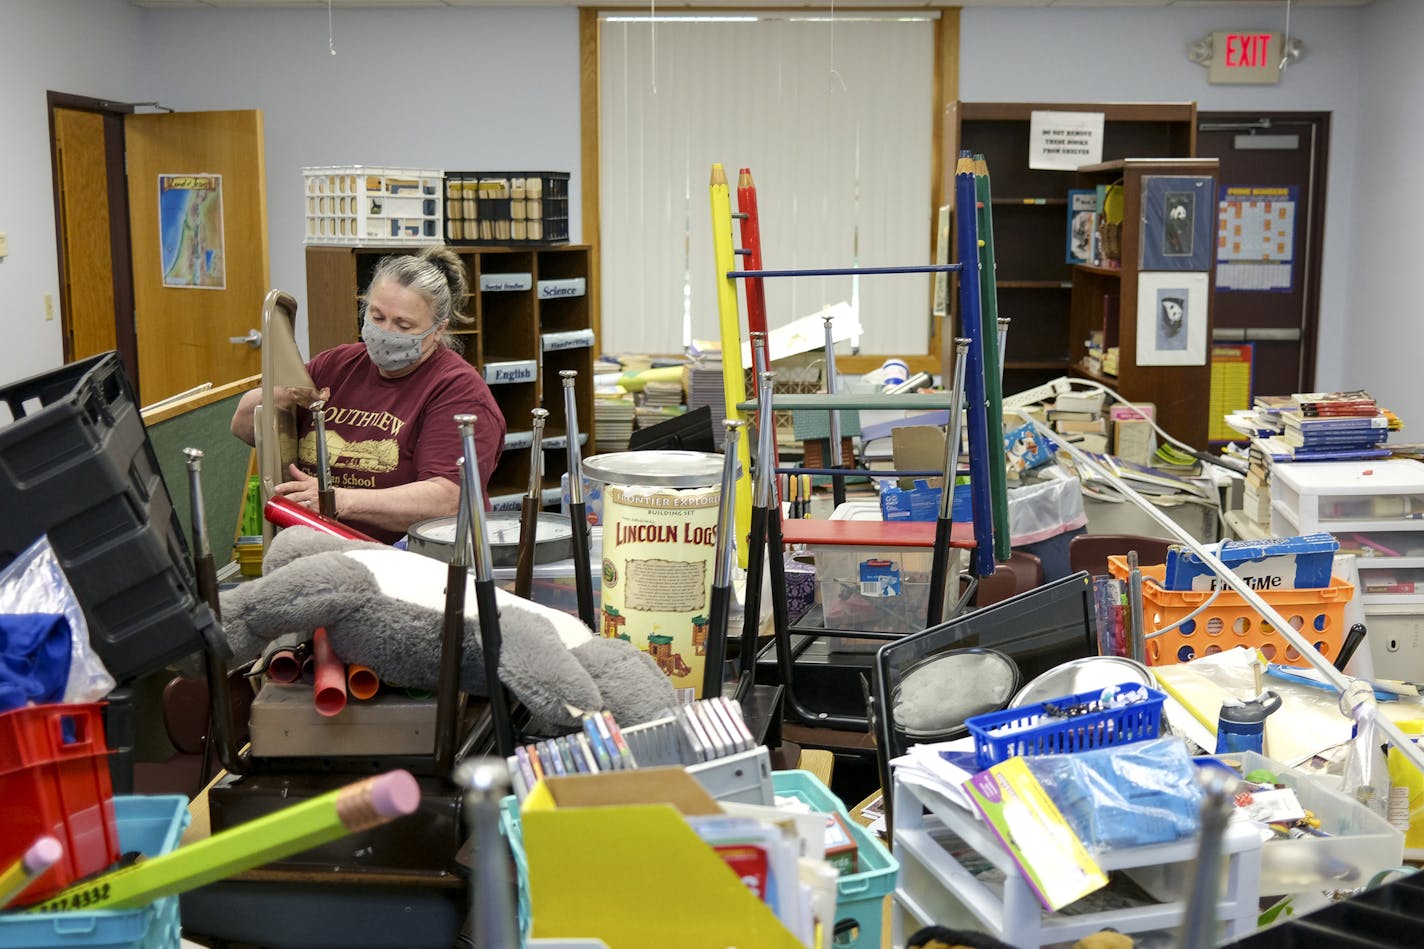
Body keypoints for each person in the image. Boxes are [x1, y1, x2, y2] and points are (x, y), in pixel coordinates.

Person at [232, 246, 506, 544]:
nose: (386, 332)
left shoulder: (458, 391)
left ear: (439, 330)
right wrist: (284, 394)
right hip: (316, 550)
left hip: (408, 560)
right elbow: (244, 424)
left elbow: (449, 499)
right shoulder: (337, 365)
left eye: (403, 325)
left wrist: (338, 500)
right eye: (377, 317)